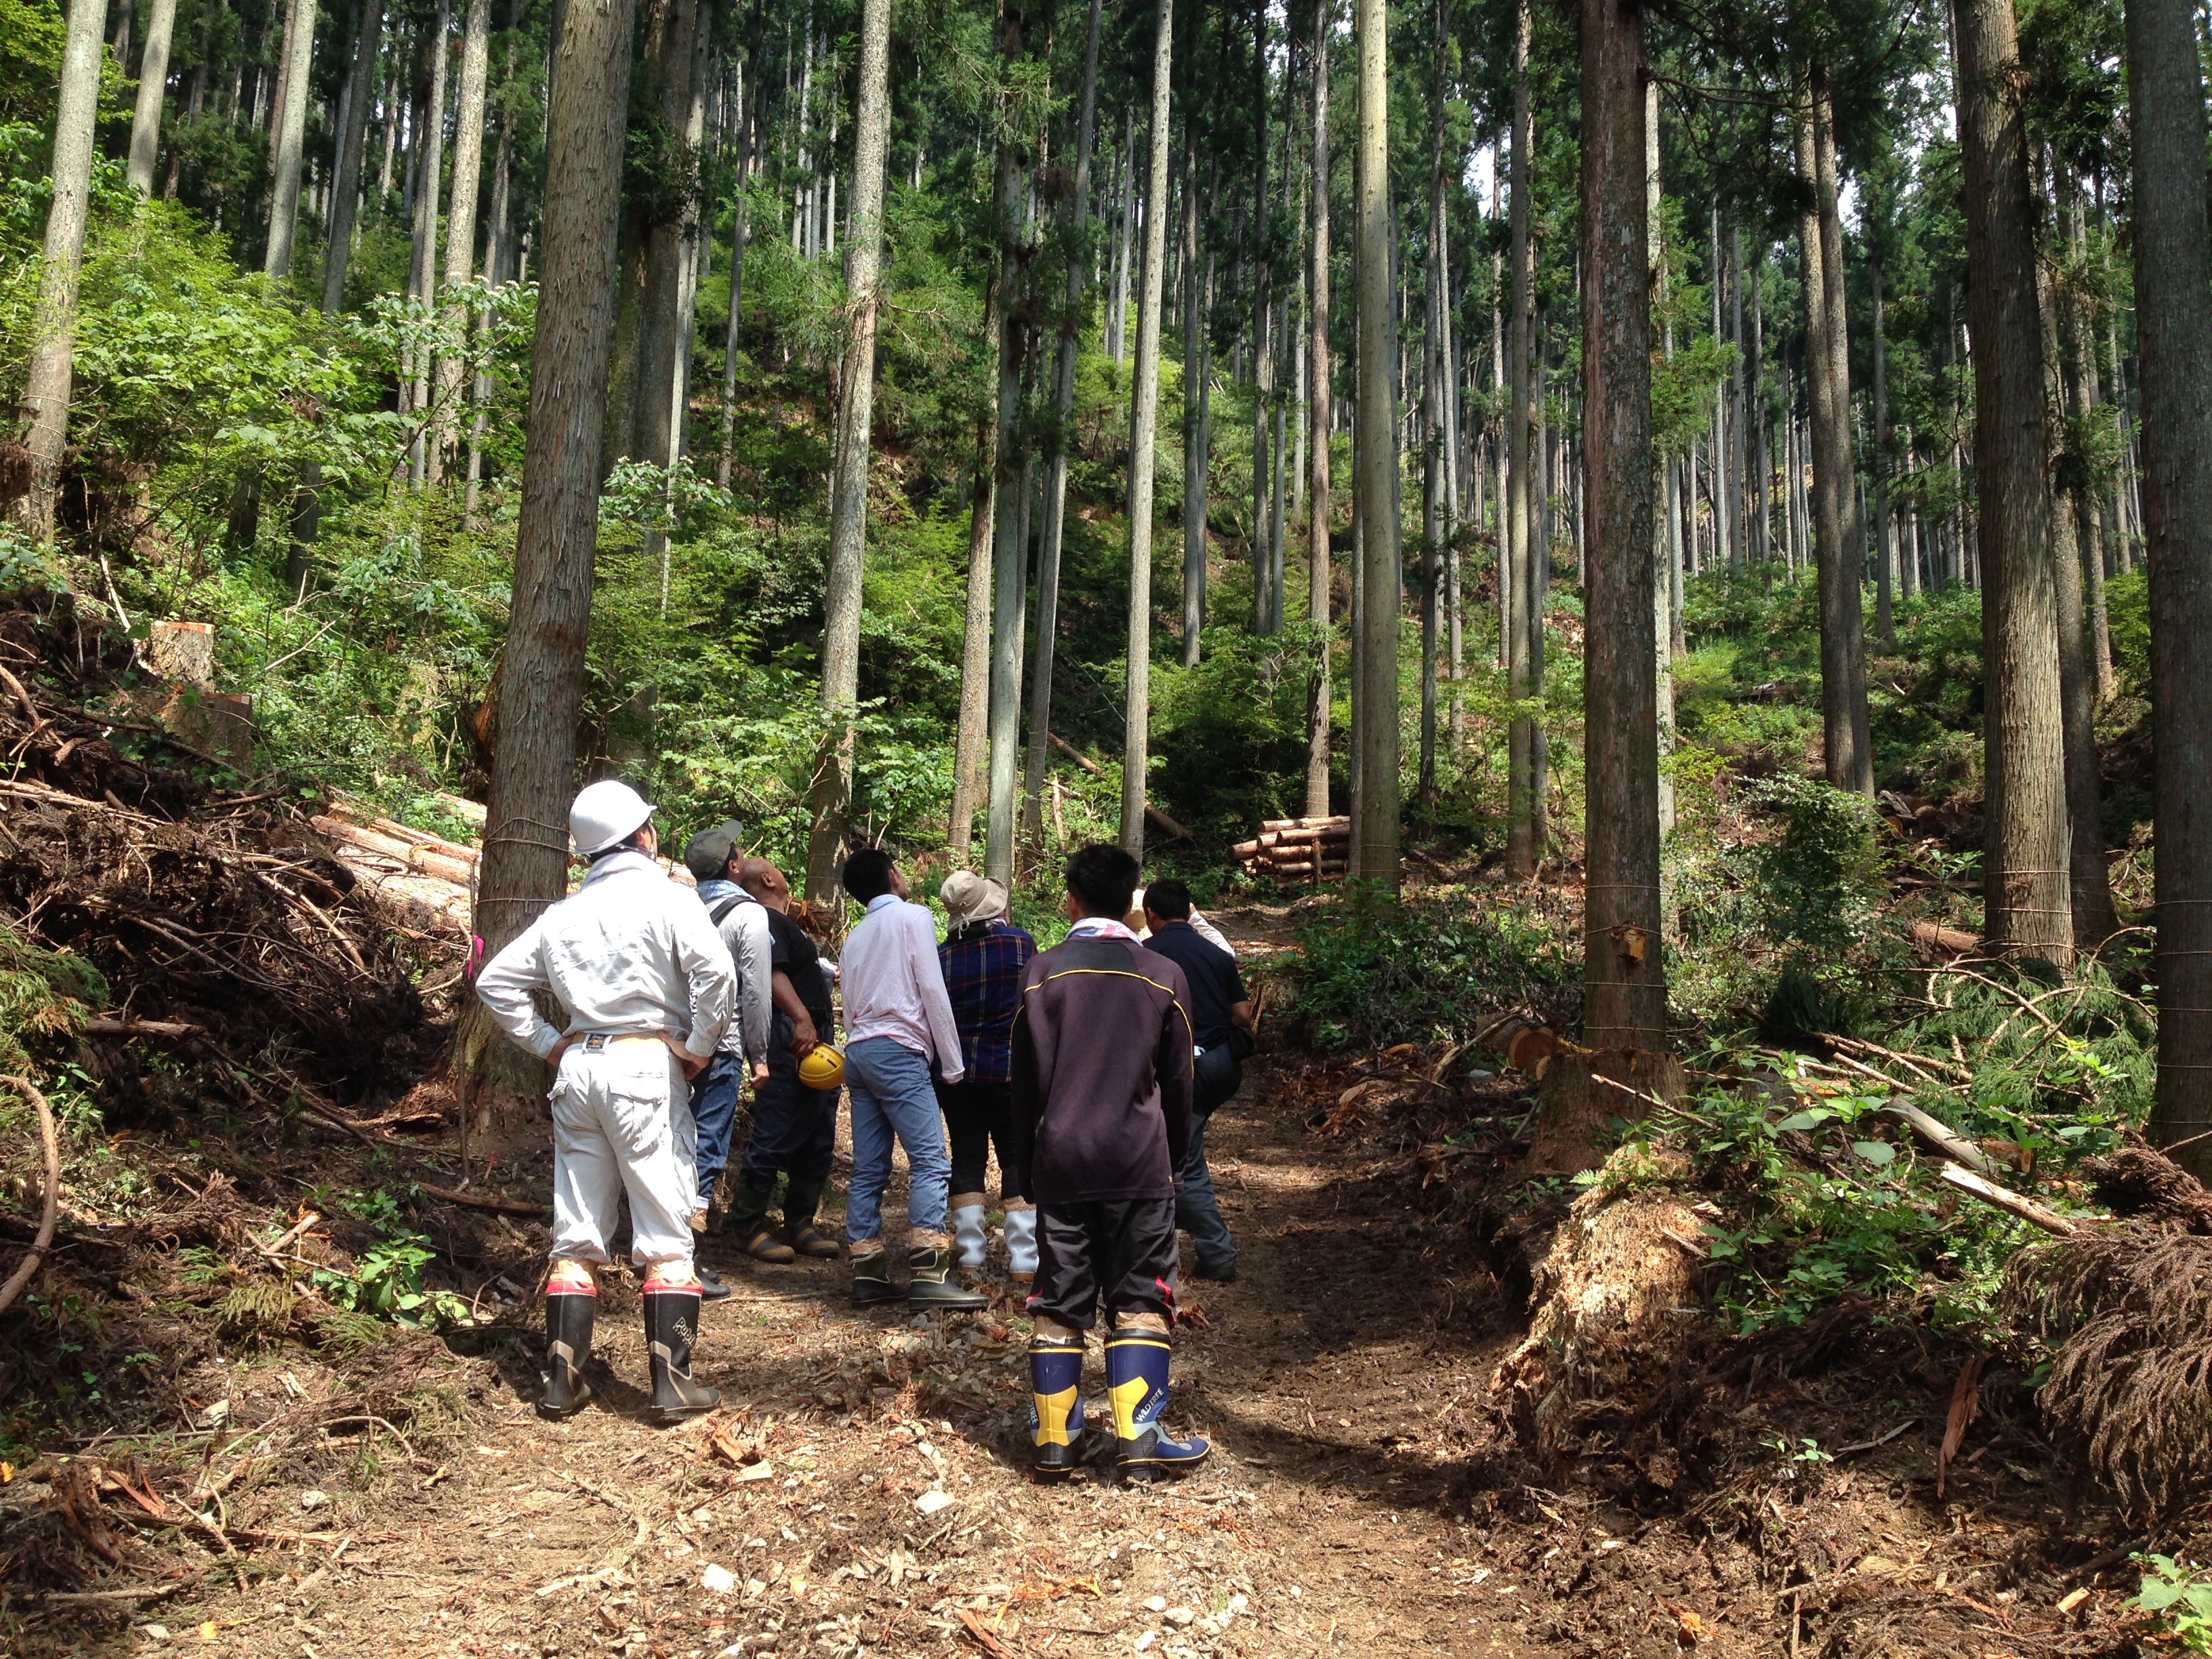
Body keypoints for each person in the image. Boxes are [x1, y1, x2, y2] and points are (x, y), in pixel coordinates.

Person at [475, 779, 734, 1425]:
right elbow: (717, 975)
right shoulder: (670, 899)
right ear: (643, 836)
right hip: (647, 1064)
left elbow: (495, 981)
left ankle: (562, 1381)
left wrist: (548, 1044)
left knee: (577, 1228)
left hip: (580, 1067)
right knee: (665, 1229)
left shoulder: (561, 913)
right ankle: (672, 1384)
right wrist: (700, 1045)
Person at [1010, 844, 1209, 1483]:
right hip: (1136, 1162)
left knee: (1060, 1295)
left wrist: (1022, 1171)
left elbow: (1024, 1084)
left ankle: (1054, 1442)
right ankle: (1140, 1437)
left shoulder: (1040, 974)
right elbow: (1181, 1084)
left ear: (1071, 899)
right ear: (1133, 903)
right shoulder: (1161, 975)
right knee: (1141, 1294)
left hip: (1061, 1162)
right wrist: (1173, 1160)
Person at [836, 848, 988, 1311]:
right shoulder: (913, 917)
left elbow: (849, 1000)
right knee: (930, 1160)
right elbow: (931, 989)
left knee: (869, 1167)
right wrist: (953, 1062)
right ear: (892, 876)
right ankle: (929, 1270)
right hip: (898, 1050)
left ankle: (868, 1272)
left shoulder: (855, 936)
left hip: (858, 1052)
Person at [726, 857, 844, 1262]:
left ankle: (799, 1222)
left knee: (817, 1130)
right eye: (777, 869)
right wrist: (802, 1018)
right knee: (778, 1124)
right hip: (790, 1035)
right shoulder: (766, 921)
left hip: (811, 1037)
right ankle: (745, 1224)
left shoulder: (783, 923)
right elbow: (773, 974)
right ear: (768, 879)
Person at [1141, 878, 1253, 1283]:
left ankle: (1216, 1252)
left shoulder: (1145, 955)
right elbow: (1243, 1015)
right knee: (1180, 1151)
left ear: (1151, 914)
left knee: (1181, 1162)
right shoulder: (1217, 953)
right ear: (1188, 909)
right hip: (1220, 1068)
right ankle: (1164, 1243)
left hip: (1177, 1072)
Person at [682, 819, 773, 1289]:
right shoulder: (748, 914)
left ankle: (662, 1249)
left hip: (674, 1046)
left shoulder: (677, 908)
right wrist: (759, 1056)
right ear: (734, 866)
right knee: (706, 1147)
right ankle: (686, 1263)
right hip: (719, 1048)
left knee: (671, 1142)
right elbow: (755, 993)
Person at [933, 872, 1038, 1276]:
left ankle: (971, 1256)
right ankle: (1025, 1260)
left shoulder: (940, 957)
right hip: (1011, 1070)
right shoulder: (1019, 943)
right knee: (1016, 1158)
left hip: (956, 1074)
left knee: (967, 1157)